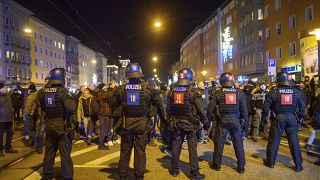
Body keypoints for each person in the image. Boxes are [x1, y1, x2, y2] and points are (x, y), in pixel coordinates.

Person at [111, 63, 162, 180]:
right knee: (140, 151)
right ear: (140, 73)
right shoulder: (148, 88)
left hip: (126, 123)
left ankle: (123, 175)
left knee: (125, 151)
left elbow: (111, 104)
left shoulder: (121, 89)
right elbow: (158, 103)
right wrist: (151, 113)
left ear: (127, 74)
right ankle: (139, 176)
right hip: (142, 123)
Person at [167, 68, 211, 179]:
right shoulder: (193, 93)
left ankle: (174, 170)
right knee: (192, 148)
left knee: (176, 146)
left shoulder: (172, 92)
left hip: (177, 122)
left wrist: (169, 122)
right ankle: (195, 173)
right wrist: (206, 123)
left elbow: (169, 109)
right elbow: (201, 110)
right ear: (190, 77)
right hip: (190, 124)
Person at [37, 68, 76, 179]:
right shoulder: (62, 91)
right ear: (62, 78)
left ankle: (47, 175)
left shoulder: (42, 92)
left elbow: (40, 105)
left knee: (49, 152)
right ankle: (67, 176)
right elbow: (71, 108)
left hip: (49, 124)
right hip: (62, 126)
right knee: (65, 154)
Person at [262, 72, 305, 172]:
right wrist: (300, 118)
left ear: (278, 80)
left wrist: (265, 118)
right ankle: (298, 165)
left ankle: (270, 163)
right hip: (291, 117)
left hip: (279, 117)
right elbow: (302, 107)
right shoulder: (296, 91)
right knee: (294, 142)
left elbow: (266, 107)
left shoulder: (274, 92)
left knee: (274, 141)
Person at [207, 72, 248, 174]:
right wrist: (245, 124)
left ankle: (217, 165)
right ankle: (241, 167)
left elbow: (210, 108)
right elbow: (244, 111)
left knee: (219, 143)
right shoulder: (239, 93)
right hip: (235, 121)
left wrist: (207, 121)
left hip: (223, 121)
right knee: (238, 144)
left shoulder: (218, 93)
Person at [0, 82, 18, 157]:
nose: (6, 89)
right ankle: (0, 150)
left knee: (10, 134)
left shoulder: (8, 96)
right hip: (1, 120)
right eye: (4, 88)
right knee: (0, 136)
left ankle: (8, 147)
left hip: (9, 119)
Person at [97, 83, 112, 150]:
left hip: (105, 113)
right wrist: (110, 90)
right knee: (103, 129)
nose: (106, 87)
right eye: (105, 86)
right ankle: (101, 145)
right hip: (103, 113)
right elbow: (108, 95)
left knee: (105, 129)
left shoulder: (103, 93)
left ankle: (102, 143)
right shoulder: (100, 93)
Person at [25, 84, 39, 148]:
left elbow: (28, 106)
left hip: (31, 114)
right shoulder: (38, 94)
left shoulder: (30, 96)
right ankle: (34, 142)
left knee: (30, 129)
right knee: (34, 128)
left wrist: (26, 113)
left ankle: (35, 142)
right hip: (36, 114)